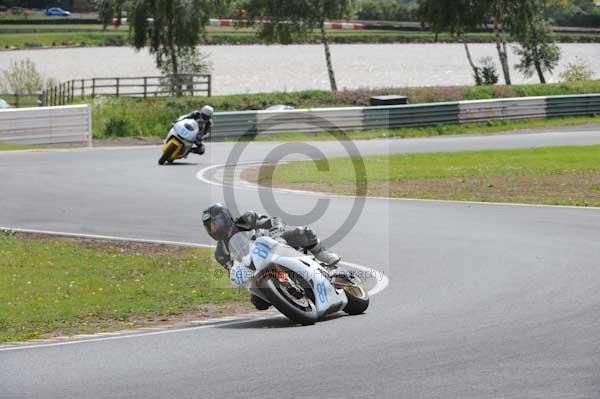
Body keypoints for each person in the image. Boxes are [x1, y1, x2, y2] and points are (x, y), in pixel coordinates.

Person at [202, 203, 341, 310]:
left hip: (275, 245)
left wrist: (275, 229)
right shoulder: (220, 254)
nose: (213, 229)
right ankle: (286, 298)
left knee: (302, 232)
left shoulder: (246, 220)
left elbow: (272, 221)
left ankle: (322, 254)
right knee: (258, 302)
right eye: (209, 227)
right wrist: (236, 276)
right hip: (256, 270)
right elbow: (231, 270)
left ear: (225, 217)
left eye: (215, 223)